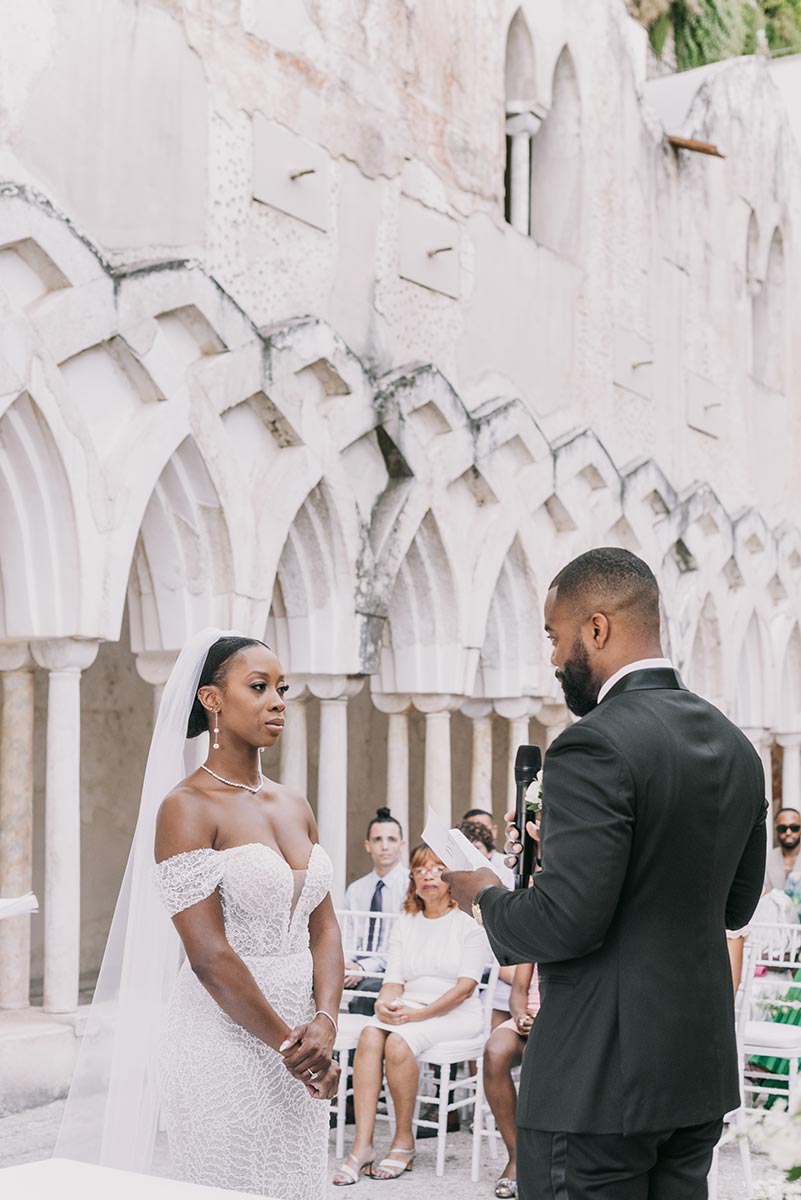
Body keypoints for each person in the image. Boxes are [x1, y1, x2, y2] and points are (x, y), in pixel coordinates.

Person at [445, 548, 767, 1200]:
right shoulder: (736, 746)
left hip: (597, 1082)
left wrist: (482, 895)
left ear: (595, 628)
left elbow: (562, 923)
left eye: (553, 635)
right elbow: (734, 905)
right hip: (693, 1070)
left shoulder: (594, 743)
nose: (552, 657)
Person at [55, 630, 342, 1200]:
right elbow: (210, 957)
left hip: (306, 1039)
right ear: (212, 699)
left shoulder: (294, 803)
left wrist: (326, 1022)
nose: (277, 701)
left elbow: (325, 925)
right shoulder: (186, 808)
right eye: (258, 687)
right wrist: (295, 1049)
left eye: (282, 688)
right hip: (224, 1041)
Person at [334, 844, 488, 1186]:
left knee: (400, 1042)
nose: (429, 875)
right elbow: (393, 980)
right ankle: (363, 1145)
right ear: (413, 880)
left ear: (450, 878)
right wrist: (382, 1005)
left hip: (457, 1012)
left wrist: (419, 1016)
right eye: (420, 870)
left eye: (436, 869)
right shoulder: (408, 921)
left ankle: (404, 1139)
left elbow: (465, 987)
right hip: (411, 1007)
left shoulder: (468, 922)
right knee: (370, 1034)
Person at [482, 963, 540, 1199]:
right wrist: (520, 1016)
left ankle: (541, 1158)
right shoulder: (533, 942)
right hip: (525, 1019)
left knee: (536, 1055)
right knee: (495, 1052)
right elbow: (518, 990)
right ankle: (516, 1155)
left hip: (562, 1022)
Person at [343, 807, 407, 1015]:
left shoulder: (411, 886)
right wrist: (346, 966)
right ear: (368, 846)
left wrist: (364, 969)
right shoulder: (357, 889)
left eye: (391, 839)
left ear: (402, 845)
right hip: (356, 967)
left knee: (366, 993)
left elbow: (403, 943)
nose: (385, 846)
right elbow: (349, 935)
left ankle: (355, 1048)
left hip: (393, 970)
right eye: (378, 840)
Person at [764, 807, 801, 909]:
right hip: (774, 921)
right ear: (777, 830)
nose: (788, 832)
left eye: (794, 828)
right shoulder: (767, 859)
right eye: (782, 828)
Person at [463, 807, 514, 881]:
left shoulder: (508, 864)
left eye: (483, 828)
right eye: (471, 829)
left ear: (494, 831)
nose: (477, 832)